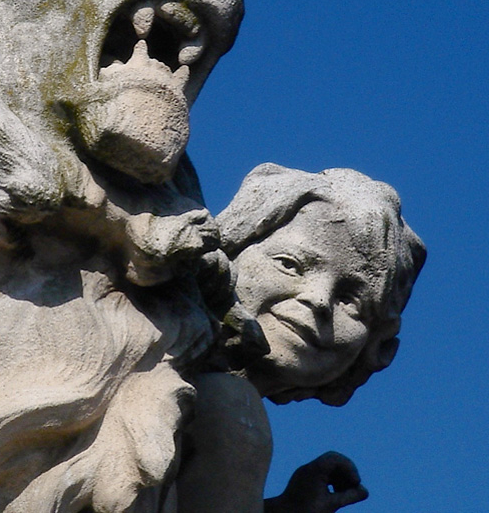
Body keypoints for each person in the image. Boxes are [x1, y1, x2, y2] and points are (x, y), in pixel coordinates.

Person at [176, 164, 426, 513]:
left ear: (375, 346)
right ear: (229, 252)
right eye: (289, 264)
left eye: (351, 301)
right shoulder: (227, 407)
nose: (319, 300)